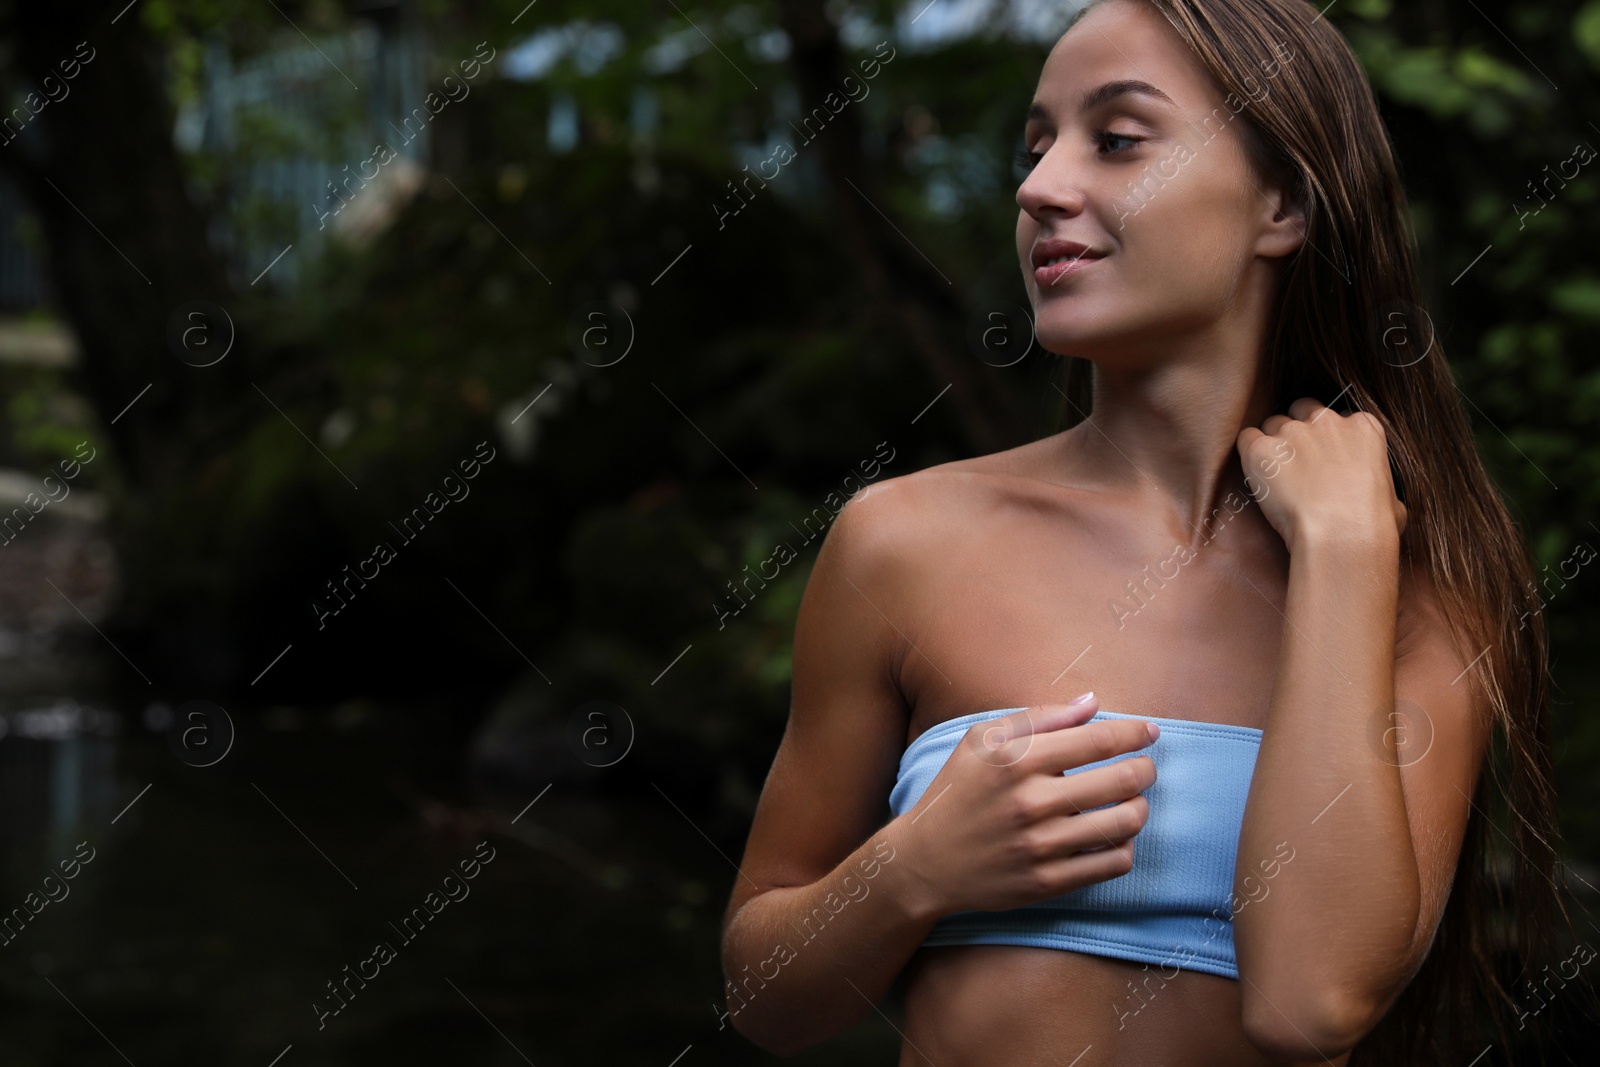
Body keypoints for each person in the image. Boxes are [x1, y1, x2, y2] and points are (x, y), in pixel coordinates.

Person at [718, 1, 1574, 1063]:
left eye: (1116, 140)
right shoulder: (900, 540)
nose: (1038, 188)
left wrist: (1343, 557)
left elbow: (1310, 1003)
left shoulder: (1424, 588)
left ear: (1283, 204)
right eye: (1034, 148)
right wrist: (912, 867)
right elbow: (761, 995)